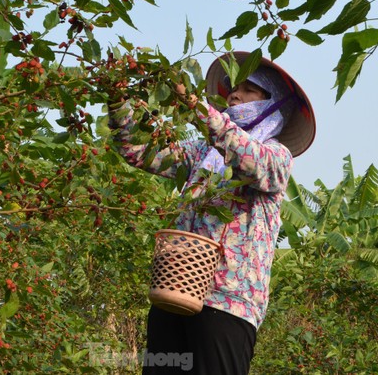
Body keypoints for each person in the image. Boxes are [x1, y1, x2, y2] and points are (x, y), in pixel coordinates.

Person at [108, 51, 316, 375]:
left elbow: (244, 157)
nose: (235, 93)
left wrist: (195, 108)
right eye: (233, 86)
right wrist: (118, 101)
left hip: (228, 305)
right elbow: (142, 152)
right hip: (175, 287)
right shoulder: (203, 151)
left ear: (273, 103)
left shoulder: (276, 156)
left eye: (249, 88)